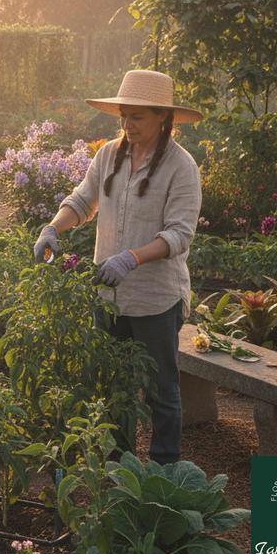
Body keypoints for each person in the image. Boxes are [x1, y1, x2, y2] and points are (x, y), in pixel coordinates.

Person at [32, 69, 202, 464]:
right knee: (114, 385)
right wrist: (52, 228)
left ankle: (163, 475)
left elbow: (179, 234)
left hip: (155, 299)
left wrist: (131, 258)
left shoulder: (181, 167)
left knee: (161, 388)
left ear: (163, 116)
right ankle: (119, 469)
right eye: (124, 115)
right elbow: (82, 201)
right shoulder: (109, 154)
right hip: (107, 297)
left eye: (138, 117)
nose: (128, 124)